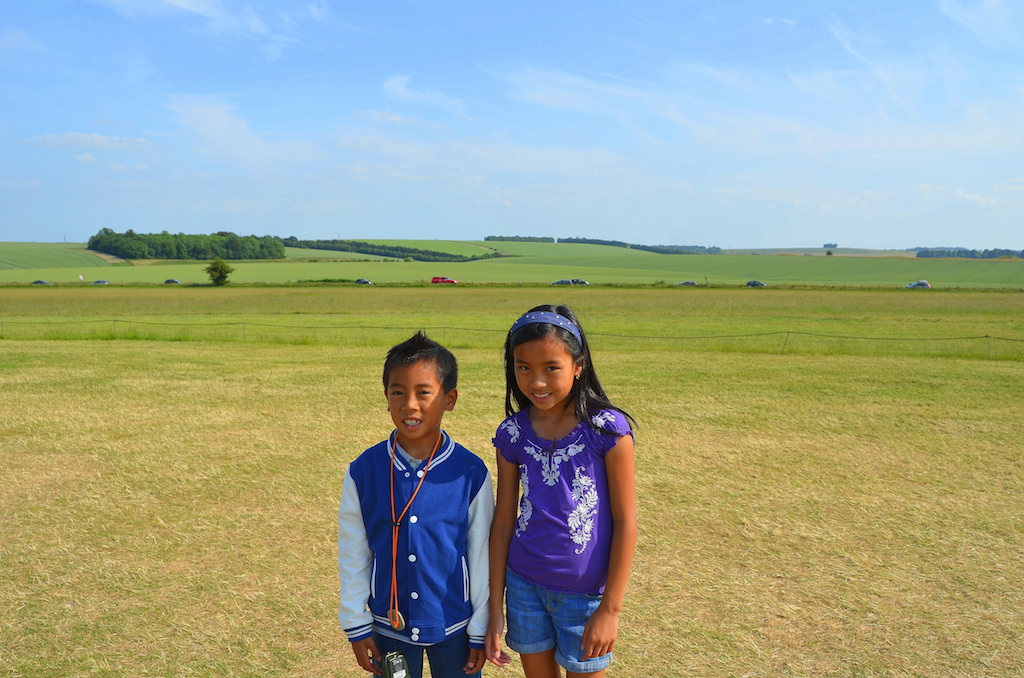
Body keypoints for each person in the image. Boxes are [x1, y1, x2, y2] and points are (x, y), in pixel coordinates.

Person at [486, 306, 638, 677]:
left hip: (585, 596)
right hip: (524, 587)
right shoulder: (512, 434)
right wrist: (496, 608)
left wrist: (610, 610)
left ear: (578, 364)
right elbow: (503, 521)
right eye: (524, 367)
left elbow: (626, 522)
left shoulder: (607, 430)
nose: (536, 381)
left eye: (550, 367)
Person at [339, 331, 494, 677]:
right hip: (387, 625)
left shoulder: (471, 473)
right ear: (386, 397)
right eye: (398, 392)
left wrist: (481, 627)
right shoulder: (363, 471)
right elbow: (353, 551)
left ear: (450, 399)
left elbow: (482, 553)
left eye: (424, 393)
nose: (409, 405)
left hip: (455, 625)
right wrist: (356, 623)